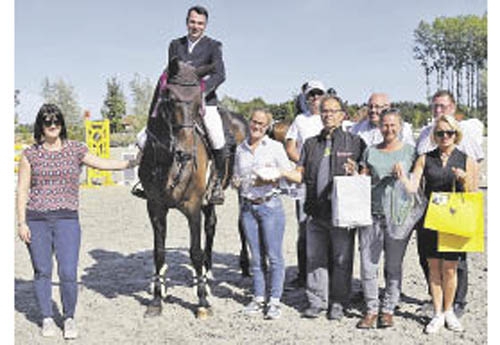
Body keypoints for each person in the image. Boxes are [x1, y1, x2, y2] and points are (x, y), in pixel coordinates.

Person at [16, 104, 139, 339]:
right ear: (40, 125)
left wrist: (131, 163)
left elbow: (103, 164)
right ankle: (47, 318)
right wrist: (22, 222)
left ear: (62, 124)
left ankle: (69, 317)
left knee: (68, 271)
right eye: (47, 122)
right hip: (37, 220)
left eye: (56, 121)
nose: (52, 126)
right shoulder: (30, 154)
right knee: (42, 271)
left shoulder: (75, 149)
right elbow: (22, 190)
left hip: (67, 219)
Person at [282, 95, 366, 320]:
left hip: (342, 213)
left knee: (341, 259)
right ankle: (316, 301)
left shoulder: (355, 142)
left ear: (342, 115)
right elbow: (300, 173)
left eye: (333, 111)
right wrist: (279, 173)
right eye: (324, 111)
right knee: (315, 258)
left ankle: (339, 302)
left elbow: (366, 174)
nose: (328, 115)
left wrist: (356, 171)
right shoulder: (310, 143)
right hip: (314, 211)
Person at [133, 5, 227, 204]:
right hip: (176, 103)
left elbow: (220, 74)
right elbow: (172, 72)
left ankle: (217, 183)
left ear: (205, 25)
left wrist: (201, 90)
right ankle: (145, 180)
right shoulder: (175, 45)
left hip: (203, 102)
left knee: (217, 138)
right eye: (193, 22)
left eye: (200, 23)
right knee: (143, 138)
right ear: (187, 22)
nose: (196, 26)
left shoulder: (214, 46)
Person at [396, 115, 474, 334]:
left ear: (456, 134)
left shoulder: (465, 159)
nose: (445, 137)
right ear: (434, 135)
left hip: (454, 219)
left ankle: (450, 311)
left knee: (450, 269)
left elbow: (473, 193)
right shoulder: (424, 158)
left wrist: (464, 179)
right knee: (433, 268)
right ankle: (437, 313)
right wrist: (403, 178)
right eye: (440, 133)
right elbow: (413, 188)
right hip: (430, 218)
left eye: (449, 132)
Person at [415, 90, 483, 318]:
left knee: (456, 262)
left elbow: (474, 172)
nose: (438, 110)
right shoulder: (425, 133)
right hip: (431, 208)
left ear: (453, 107)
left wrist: (463, 178)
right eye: (435, 106)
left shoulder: (468, 137)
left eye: (442, 106)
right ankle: (438, 301)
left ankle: (457, 302)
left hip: (455, 207)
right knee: (430, 259)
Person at [355, 108, 416, 329]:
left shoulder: (410, 152)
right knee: (368, 265)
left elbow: (415, 187)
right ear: (379, 127)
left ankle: (389, 309)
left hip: (398, 216)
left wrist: (402, 177)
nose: (388, 129)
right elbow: (362, 181)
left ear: (400, 126)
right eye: (385, 125)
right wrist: (355, 172)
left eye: (393, 125)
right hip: (371, 214)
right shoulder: (371, 152)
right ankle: (371, 309)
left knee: (393, 265)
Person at [233, 109, 294, 320]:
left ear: (267, 126)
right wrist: (235, 183)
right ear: (249, 122)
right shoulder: (240, 149)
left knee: (274, 256)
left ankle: (275, 301)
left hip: (270, 206)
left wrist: (272, 179)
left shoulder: (275, 148)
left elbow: (289, 177)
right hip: (248, 207)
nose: (256, 126)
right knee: (256, 258)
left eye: (261, 123)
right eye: (254, 121)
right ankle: (259, 298)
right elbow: (236, 176)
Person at [284, 80, 326, 288]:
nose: (315, 98)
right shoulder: (300, 120)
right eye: (311, 95)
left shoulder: (332, 117)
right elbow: (290, 145)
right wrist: (304, 163)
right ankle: (302, 274)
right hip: (306, 180)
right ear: (306, 98)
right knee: (304, 227)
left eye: (319, 94)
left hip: (328, 180)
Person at [350, 93, 415, 146]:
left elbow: (410, 153)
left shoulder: (403, 128)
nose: (373, 110)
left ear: (387, 107)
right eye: (370, 107)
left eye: (377, 107)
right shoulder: (356, 128)